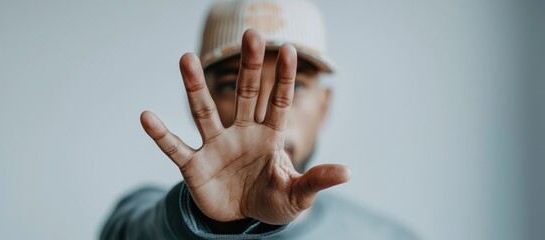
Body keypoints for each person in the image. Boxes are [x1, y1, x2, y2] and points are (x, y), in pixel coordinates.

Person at [101, 0, 418, 239]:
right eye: (231, 85)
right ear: (198, 100)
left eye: (295, 85)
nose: (264, 113)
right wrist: (204, 218)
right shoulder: (151, 216)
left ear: (324, 108)